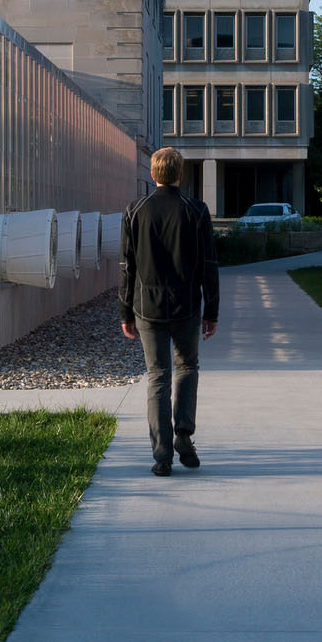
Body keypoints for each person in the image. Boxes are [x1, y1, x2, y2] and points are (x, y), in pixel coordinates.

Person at [119, 147, 220, 476]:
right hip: (187, 305)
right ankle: (184, 435)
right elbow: (208, 265)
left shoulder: (135, 210)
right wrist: (212, 310)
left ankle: (161, 453)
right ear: (180, 174)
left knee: (157, 376)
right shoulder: (196, 210)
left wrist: (125, 313)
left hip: (146, 306)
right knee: (187, 366)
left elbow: (127, 266)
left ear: (153, 174)